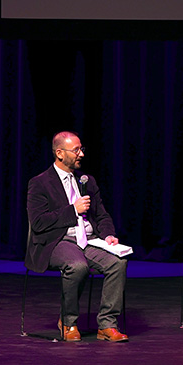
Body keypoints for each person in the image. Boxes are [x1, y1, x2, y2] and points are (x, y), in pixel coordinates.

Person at [25, 131, 129, 342]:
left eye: (82, 149)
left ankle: (107, 325)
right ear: (60, 153)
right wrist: (72, 210)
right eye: (76, 150)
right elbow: (38, 223)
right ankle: (68, 321)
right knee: (77, 265)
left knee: (118, 262)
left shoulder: (86, 180)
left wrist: (108, 235)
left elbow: (101, 214)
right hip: (58, 240)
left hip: (88, 240)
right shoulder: (40, 183)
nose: (81, 154)